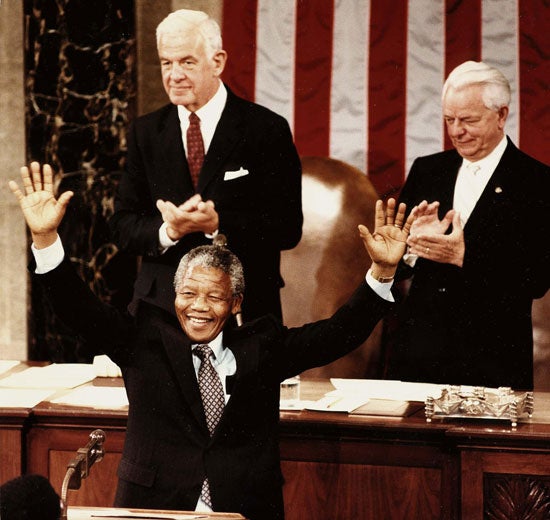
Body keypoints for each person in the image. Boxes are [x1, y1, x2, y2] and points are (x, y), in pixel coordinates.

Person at [10, 162, 413, 520]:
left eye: (214, 296)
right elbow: (77, 308)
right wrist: (45, 240)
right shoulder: (142, 339)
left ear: (235, 302)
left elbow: (338, 333)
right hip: (154, 509)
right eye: (189, 294)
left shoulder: (263, 346)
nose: (198, 307)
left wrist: (380, 271)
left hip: (244, 509)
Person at [108, 8, 302, 322]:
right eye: (166, 63)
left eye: (187, 62)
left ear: (218, 62)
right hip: (160, 309)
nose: (174, 75)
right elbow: (122, 226)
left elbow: (287, 227)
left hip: (244, 307)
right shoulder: (145, 132)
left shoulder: (266, 129)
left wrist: (216, 224)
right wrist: (169, 230)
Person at [385, 60, 550, 389]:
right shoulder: (428, 170)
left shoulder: (536, 182)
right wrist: (411, 249)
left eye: (468, 120)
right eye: (449, 119)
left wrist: (464, 256)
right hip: (419, 357)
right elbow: (398, 268)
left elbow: (536, 279)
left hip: (492, 363)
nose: (456, 131)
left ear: (501, 115)